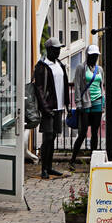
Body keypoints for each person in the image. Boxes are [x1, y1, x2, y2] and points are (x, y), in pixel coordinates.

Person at [31, 38, 69, 179]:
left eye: (59, 48)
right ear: (49, 50)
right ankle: (44, 168)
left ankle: (50, 166)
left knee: (52, 138)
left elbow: (63, 84)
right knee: (47, 138)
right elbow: (39, 89)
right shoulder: (41, 66)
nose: (58, 51)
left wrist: (67, 103)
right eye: (56, 49)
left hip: (58, 107)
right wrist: (45, 108)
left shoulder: (59, 64)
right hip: (49, 108)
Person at [69, 44, 105, 167]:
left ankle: (93, 159)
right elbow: (77, 86)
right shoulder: (80, 68)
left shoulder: (99, 69)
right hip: (85, 103)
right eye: (92, 55)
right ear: (87, 55)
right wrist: (78, 103)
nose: (94, 57)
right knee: (83, 132)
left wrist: (103, 103)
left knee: (95, 132)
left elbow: (101, 86)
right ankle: (72, 159)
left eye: (96, 55)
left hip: (98, 102)